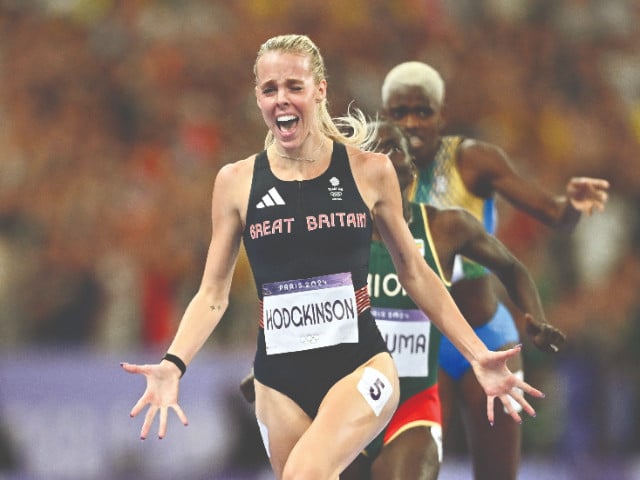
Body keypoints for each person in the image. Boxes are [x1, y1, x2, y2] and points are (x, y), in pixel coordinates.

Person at [122, 36, 544, 480]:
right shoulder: (235, 182)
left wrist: (477, 355)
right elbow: (212, 294)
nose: (281, 99)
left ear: (320, 89)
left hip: (360, 370)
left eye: (293, 86)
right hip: (277, 384)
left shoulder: (369, 171)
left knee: (304, 474)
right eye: (269, 89)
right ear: (258, 99)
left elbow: (416, 273)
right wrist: (173, 363)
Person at [241, 121, 566, 480]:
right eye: (372, 151)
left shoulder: (446, 229)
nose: (383, 158)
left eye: (393, 148)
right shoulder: (335, 234)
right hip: (346, 403)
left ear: (411, 166)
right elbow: (303, 308)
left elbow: (511, 267)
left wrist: (534, 315)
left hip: (413, 409)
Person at [380, 61, 609, 480]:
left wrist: (572, 206)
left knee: (499, 474)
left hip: (488, 333)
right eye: (399, 113)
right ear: (384, 118)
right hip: (422, 345)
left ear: (440, 114)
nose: (411, 122)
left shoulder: (473, 161)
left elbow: (552, 212)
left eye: (423, 111)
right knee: (416, 468)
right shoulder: (373, 173)